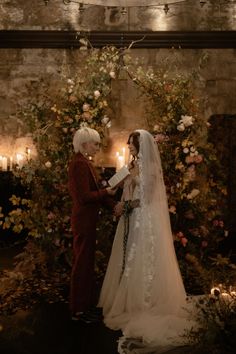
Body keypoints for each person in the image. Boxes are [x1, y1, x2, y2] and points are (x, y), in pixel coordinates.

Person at [98, 129, 197, 352]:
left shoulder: (150, 169)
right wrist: (112, 188)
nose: (129, 147)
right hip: (130, 219)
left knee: (141, 258)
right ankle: (126, 298)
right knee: (127, 257)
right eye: (129, 144)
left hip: (143, 220)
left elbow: (148, 198)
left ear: (141, 146)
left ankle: (144, 301)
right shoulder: (131, 165)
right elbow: (113, 186)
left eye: (132, 144)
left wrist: (126, 205)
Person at [68, 127, 116, 323]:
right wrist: (107, 193)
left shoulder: (84, 162)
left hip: (87, 221)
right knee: (82, 265)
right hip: (83, 221)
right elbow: (84, 197)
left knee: (87, 264)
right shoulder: (78, 164)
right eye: (95, 143)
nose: (98, 147)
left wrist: (112, 203)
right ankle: (78, 310)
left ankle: (85, 306)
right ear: (84, 143)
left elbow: (93, 193)